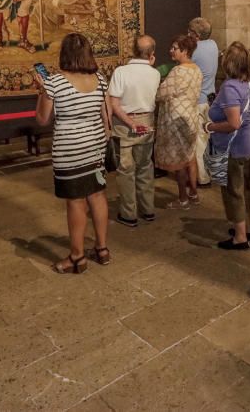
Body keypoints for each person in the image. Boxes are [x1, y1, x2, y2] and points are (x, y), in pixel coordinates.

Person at [34, 33, 111, 273]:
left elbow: (42, 119)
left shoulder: (54, 83)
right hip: (96, 147)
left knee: (76, 201)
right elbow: (104, 115)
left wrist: (40, 90)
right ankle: (102, 248)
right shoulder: (100, 79)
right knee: (97, 196)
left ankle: (77, 256)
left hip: (70, 151)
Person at [206, 42, 250, 250]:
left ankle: (239, 237)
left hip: (234, 145)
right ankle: (247, 227)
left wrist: (210, 126)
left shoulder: (229, 87)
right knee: (247, 186)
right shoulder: (248, 83)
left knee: (233, 190)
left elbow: (233, 123)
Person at [107, 35, 161, 227]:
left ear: (133, 50)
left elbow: (114, 104)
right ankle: (148, 209)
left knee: (126, 170)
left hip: (124, 125)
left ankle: (129, 213)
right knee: (145, 167)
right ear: (151, 54)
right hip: (147, 121)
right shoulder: (154, 74)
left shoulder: (121, 72)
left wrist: (131, 123)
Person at [155, 34, 203, 208]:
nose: (171, 51)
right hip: (190, 116)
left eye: (174, 48)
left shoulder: (178, 71)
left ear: (185, 51)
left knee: (180, 162)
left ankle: (182, 198)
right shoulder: (196, 69)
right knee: (190, 157)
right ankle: (194, 194)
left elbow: (162, 93)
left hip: (176, 120)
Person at [189, 18, 219, 187]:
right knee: (207, 139)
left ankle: (202, 177)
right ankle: (209, 171)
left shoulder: (194, 50)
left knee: (198, 142)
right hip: (211, 98)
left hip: (198, 100)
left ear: (195, 35)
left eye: (190, 32)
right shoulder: (213, 45)